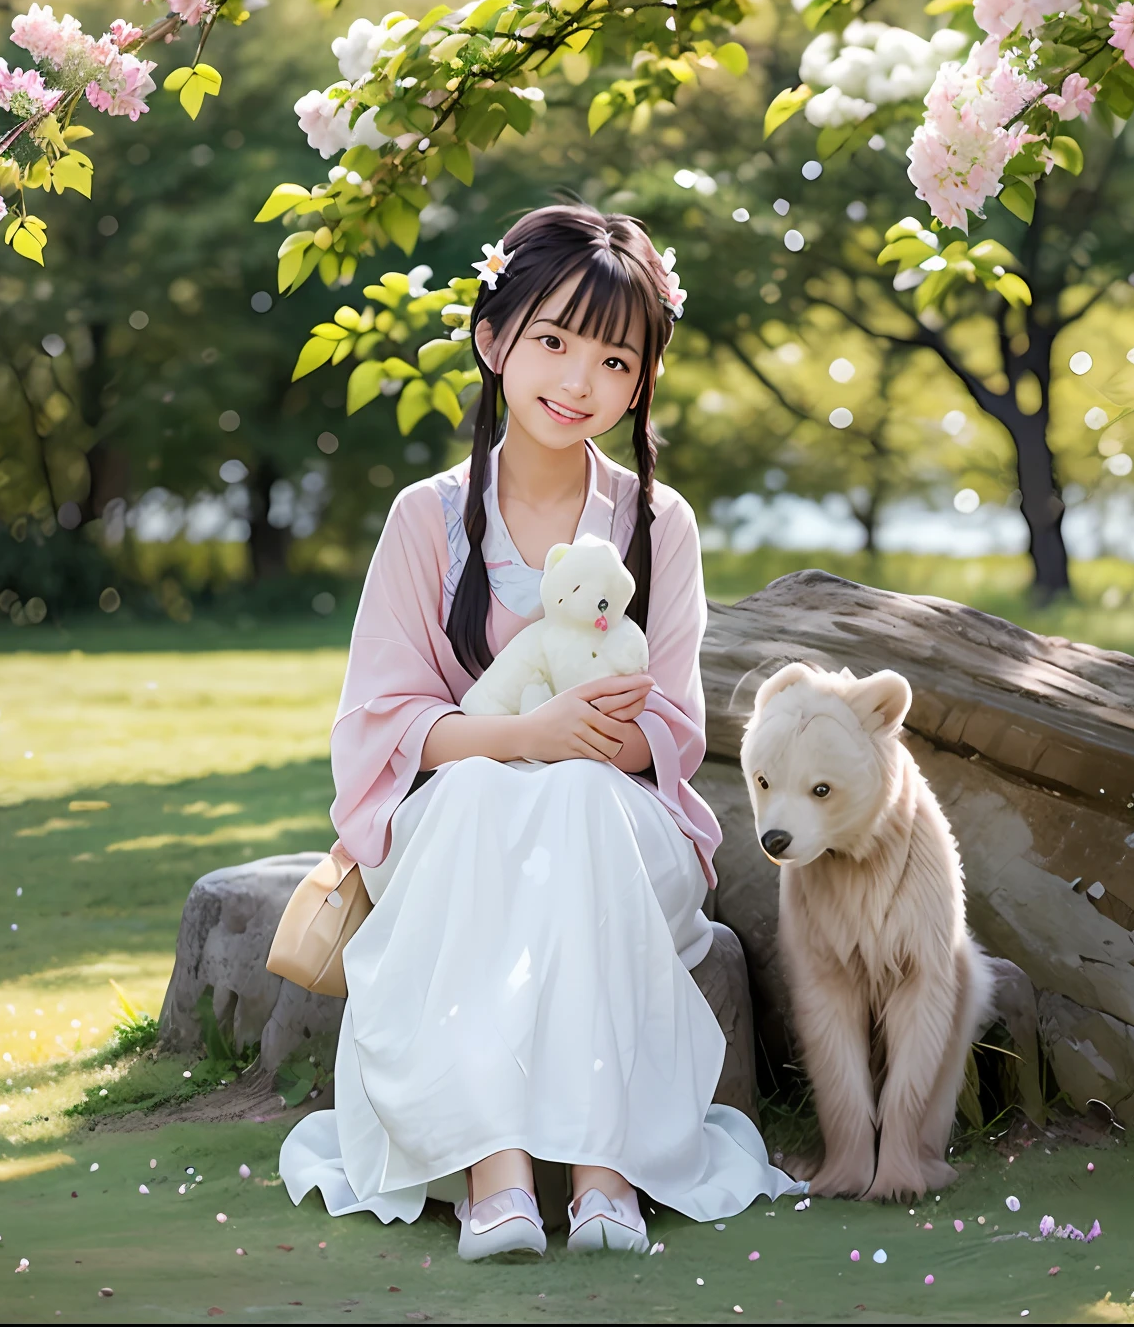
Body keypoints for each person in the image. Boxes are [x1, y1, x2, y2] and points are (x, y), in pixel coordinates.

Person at [280, 204, 802, 1259]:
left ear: (642, 376)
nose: (577, 380)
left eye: (614, 357)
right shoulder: (426, 518)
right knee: (485, 793)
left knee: (570, 797)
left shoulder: (659, 524)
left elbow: (671, 728)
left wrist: (580, 741)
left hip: (616, 821)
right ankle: (496, 1171)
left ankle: (607, 1171)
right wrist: (532, 729)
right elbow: (384, 721)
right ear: (493, 339)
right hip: (462, 819)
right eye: (553, 340)